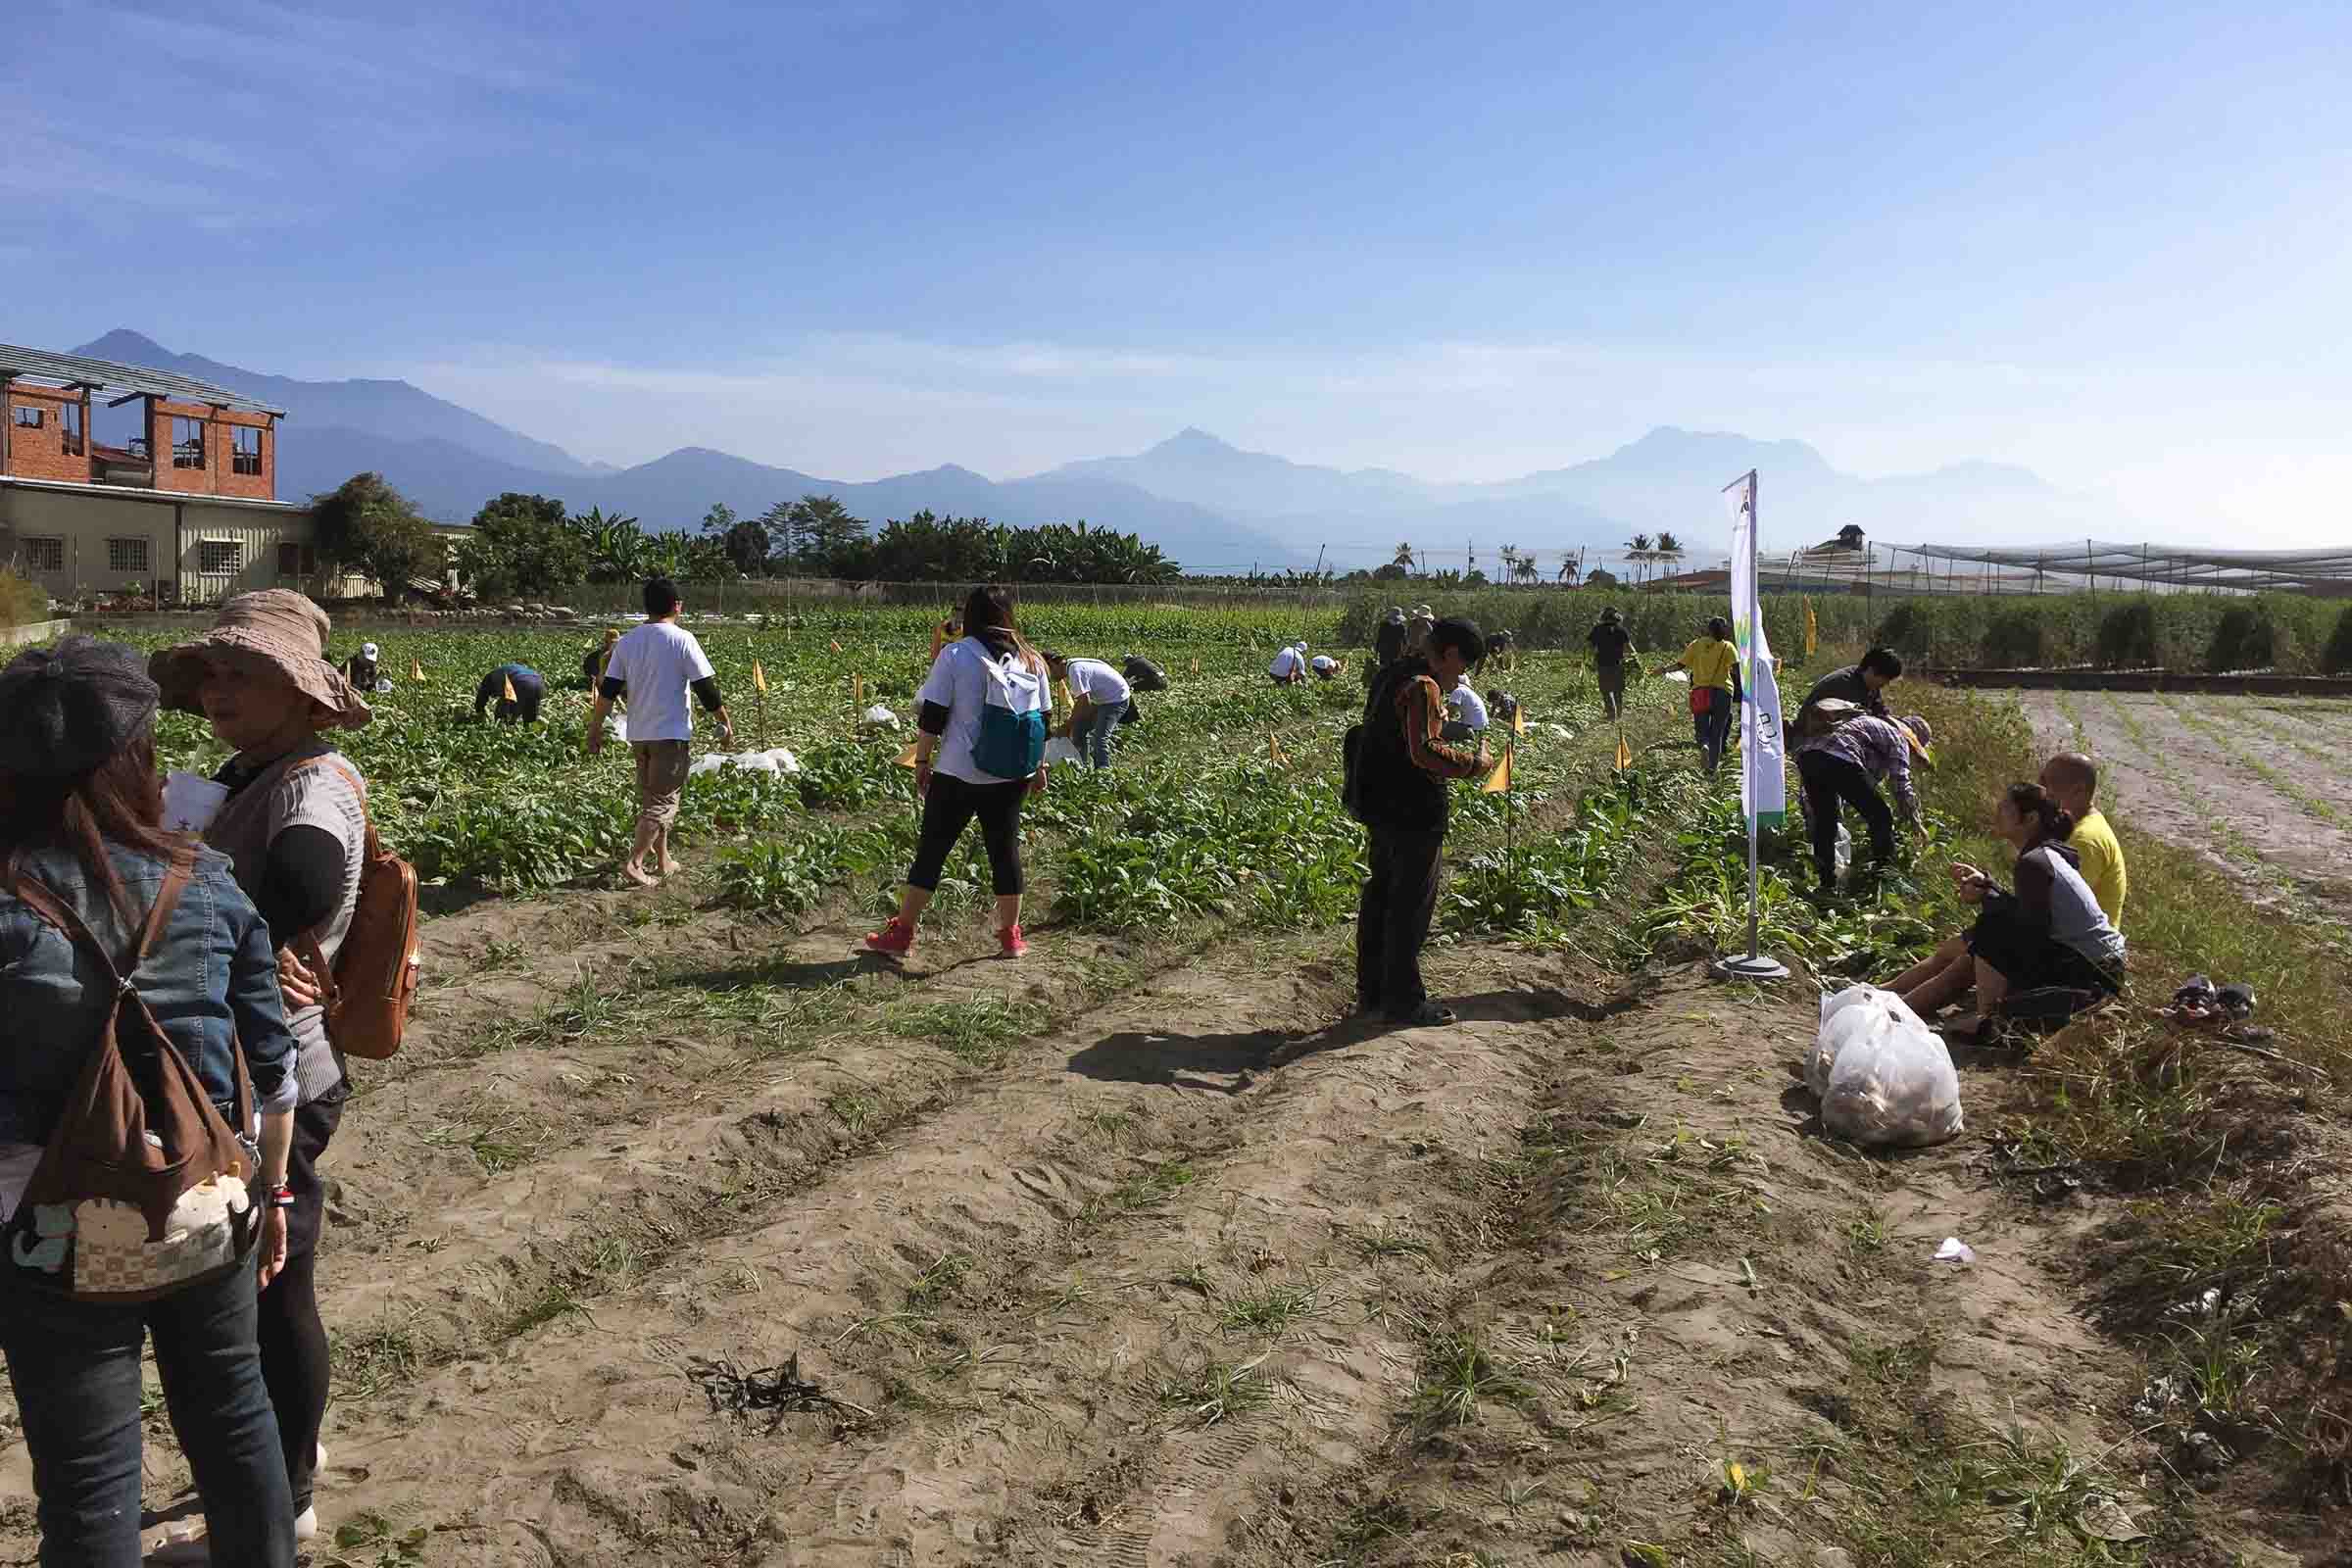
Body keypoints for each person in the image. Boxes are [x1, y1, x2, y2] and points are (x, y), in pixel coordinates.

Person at [0, 638, 301, 1567]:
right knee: (234, 1416)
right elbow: (273, 1066)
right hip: (203, 1206)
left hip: (46, 1230)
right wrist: (276, 1195)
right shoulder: (202, 880)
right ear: (135, 758)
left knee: (89, 1479)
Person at [148, 589, 376, 1556]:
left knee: (270, 1284)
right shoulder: (251, 772)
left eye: (243, 674)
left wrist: (219, 921)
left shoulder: (308, 783)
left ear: (301, 691)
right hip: (241, 1066)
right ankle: (289, 1446)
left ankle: (284, 1499)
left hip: (276, 1073)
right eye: (213, 673)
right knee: (265, 1275)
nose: (218, 689)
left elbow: (308, 881)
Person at [866, 585, 1052, 961]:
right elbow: (1043, 721)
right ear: (1008, 617)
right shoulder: (1032, 660)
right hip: (1011, 774)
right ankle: (1011, 937)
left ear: (970, 616)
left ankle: (902, 933)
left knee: (933, 850)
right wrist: (1039, 766)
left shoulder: (955, 655)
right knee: (1004, 850)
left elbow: (932, 715)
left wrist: (921, 761)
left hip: (957, 772)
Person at [1889, 782, 2125, 1038]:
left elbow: (2031, 932)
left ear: (2030, 818)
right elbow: (2032, 917)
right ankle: (1899, 1004)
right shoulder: (2047, 854)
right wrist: (1989, 890)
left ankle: (1987, 1020)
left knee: (1991, 931)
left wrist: (1988, 899)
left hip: (2092, 973)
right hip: (2095, 965)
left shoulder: (2034, 863)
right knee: (1983, 942)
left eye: (2005, 807)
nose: (1997, 811)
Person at [1353, 615, 1491, 1026]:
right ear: (1448, 654)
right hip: (1413, 810)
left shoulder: (1391, 673)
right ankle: (1404, 1001)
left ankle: (1372, 993)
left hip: (1379, 805)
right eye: (1462, 668)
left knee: (1380, 898)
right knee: (1409, 906)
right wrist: (1474, 764)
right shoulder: (1423, 686)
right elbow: (1424, 751)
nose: (1459, 678)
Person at [587, 579, 734, 888]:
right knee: (663, 802)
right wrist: (725, 721)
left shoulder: (626, 642)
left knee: (652, 798)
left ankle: (663, 858)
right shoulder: (682, 639)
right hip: (670, 734)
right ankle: (635, 863)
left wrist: (595, 727)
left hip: (640, 735)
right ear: (677, 605)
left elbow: (609, 691)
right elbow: (705, 688)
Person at [1793, 710, 1929, 894]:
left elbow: (1855, 782)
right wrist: (1915, 821)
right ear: (1913, 740)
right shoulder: (1898, 738)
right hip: (1837, 758)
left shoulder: (1870, 725)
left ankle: (1827, 885)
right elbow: (1900, 784)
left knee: (1826, 823)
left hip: (1809, 756)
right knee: (1881, 816)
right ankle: (1886, 878)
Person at [2040, 752, 2126, 926]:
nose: (2042, 790)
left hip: (2085, 948)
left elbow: (2062, 908)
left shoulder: (2084, 840)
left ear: (2078, 791)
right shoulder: (2077, 825)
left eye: (2049, 783)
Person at [1658, 616, 1743, 773]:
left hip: (1700, 692)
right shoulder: (1728, 647)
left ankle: (1704, 745)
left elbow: (1680, 665)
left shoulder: (1696, 645)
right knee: (1717, 733)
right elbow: (1737, 671)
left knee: (1702, 730)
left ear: (1708, 630)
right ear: (1725, 631)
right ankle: (1712, 769)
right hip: (1723, 693)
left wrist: (1663, 670)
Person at [1044, 651, 1131, 770]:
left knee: (1099, 738)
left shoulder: (1075, 670)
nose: (1050, 677)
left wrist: (1067, 726)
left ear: (1052, 665)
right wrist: (1071, 726)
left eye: (1048, 672)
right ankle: (1082, 768)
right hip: (1103, 698)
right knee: (1079, 730)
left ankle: (1103, 773)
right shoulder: (1072, 664)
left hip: (1116, 699)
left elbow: (1084, 703)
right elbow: (1085, 704)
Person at [1796, 647, 1902, 734]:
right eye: (1885, 679)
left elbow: (1879, 710)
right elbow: (1858, 722)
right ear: (1872, 670)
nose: (1886, 684)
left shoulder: (1869, 683)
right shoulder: (1845, 685)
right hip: (1809, 737)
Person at [1588, 608, 1638, 720]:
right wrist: (1635, 659)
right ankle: (1619, 714)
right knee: (1617, 689)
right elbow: (1630, 648)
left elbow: (1590, 646)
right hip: (1618, 664)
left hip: (1602, 663)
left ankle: (1611, 713)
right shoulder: (1621, 630)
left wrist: (1590, 660)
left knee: (1605, 689)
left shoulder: (1597, 630)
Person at [473, 662, 546, 724]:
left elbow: (481, 697)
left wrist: (480, 712)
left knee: (502, 713)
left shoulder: (489, 679)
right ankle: (529, 736)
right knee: (530, 716)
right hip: (539, 682)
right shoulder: (502, 672)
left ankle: (502, 734)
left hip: (520, 681)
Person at [1442, 676, 1490, 743]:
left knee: (1441, 728)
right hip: (1481, 728)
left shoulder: (1458, 691)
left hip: (1472, 727)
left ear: (1454, 683)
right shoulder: (1467, 691)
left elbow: (1451, 710)